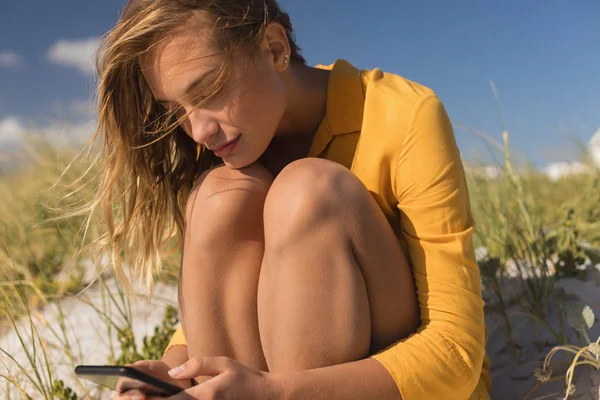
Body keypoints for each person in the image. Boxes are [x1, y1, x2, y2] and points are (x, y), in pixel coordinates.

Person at [84, 0, 490, 398]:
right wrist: (178, 371)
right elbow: (234, 296)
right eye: (177, 110)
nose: (198, 131)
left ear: (275, 49)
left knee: (308, 191)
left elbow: (456, 355)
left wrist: (277, 392)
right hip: (278, 386)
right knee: (219, 198)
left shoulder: (405, 114)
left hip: (401, 383)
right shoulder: (230, 143)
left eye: (209, 89)